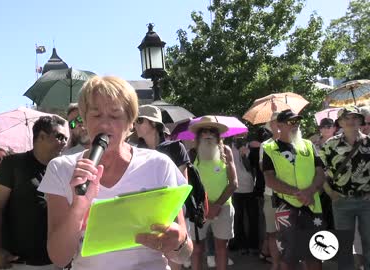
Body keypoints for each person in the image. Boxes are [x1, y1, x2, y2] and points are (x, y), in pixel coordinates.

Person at [38, 76, 192, 270]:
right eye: (96, 115)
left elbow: (184, 253)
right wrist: (78, 207)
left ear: (130, 122)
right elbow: (59, 258)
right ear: (84, 119)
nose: (104, 124)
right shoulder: (61, 168)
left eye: (114, 115)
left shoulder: (159, 165)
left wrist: (179, 243)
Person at [0, 115, 68, 270]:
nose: (64, 143)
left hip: (54, 263)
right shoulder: (12, 165)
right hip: (18, 263)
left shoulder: (61, 170)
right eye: (60, 137)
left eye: (66, 139)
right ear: (42, 136)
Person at [262, 109, 326, 270]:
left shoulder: (308, 145)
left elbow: (320, 172)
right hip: (285, 206)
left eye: (297, 121)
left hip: (312, 205)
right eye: (291, 122)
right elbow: (270, 179)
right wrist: (298, 193)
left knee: (316, 253)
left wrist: (310, 191)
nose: (295, 124)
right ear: (279, 125)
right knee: (288, 256)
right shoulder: (270, 148)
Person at [134, 104, 189, 270]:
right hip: (145, 216)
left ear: (153, 123)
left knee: (174, 259)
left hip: (172, 213)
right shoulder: (136, 152)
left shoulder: (175, 147)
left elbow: (183, 186)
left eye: (139, 120)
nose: (134, 124)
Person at [319, 106, 370, 270]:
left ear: (360, 120)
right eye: (346, 118)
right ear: (340, 122)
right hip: (341, 201)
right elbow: (320, 171)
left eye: (355, 117)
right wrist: (329, 191)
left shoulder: (368, 142)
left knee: (369, 243)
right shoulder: (330, 145)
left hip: (366, 201)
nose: (351, 121)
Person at [187, 115, 237, 270]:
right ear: (198, 134)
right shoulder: (192, 154)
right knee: (196, 249)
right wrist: (204, 206)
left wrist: (216, 205)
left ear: (218, 135)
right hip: (199, 209)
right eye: (203, 131)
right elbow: (188, 184)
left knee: (221, 248)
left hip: (223, 207)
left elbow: (233, 183)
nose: (208, 134)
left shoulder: (226, 151)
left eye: (212, 131)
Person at [258, 112, 281, 270]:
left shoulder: (298, 143)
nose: (277, 125)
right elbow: (263, 169)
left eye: (280, 121)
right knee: (272, 232)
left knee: (291, 232)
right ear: (270, 126)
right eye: (274, 122)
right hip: (271, 195)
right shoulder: (265, 145)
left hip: (293, 196)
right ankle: (275, 263)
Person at [231, 136, 260, 256]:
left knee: (253, 218)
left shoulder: (249, 148)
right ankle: (240, 245)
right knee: (238, 219)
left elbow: (250, 168)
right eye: (238, 135)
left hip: (249, 188)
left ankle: (253, 245)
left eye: (242, 135)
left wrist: (244, 156)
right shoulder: (228, 149)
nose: (240, 137)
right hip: (235, 189)